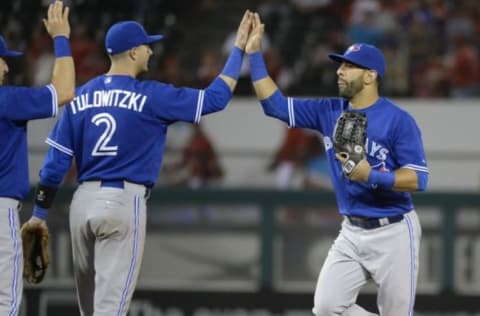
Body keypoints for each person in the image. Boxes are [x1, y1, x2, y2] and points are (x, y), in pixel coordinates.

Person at [23, 11, 253, 316]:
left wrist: (39, 214)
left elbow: (55, 162)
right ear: (133, 52)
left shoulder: (82, 95)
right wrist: (237, 50)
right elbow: (216, 99)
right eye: (146, 46)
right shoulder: (151, 95)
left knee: (89, 312)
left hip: (82, 205)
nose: (151, 50)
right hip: (122, 203)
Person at [246, 13, 429, 316]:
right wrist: (254, 55)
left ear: (370, 76)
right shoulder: (328, 111)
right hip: (352, 230)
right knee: (327, 308)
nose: (340, 72)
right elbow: (274, 105)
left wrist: (371, 175)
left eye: (348, 66)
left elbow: (418, 179)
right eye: (340, 65)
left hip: (394, 229)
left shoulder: (398, 120)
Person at [0, 1, 74, 315]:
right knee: (5, 302)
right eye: (1, 60)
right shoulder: (8, 100)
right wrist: (61, 38)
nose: (5, 67)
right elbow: (65, 90)